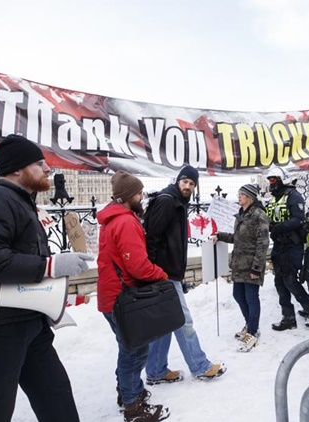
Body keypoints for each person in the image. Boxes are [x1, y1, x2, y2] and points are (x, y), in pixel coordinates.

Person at [0, 134, 93, 422]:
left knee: (57, 399)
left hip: (28, 322)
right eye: (40, 163)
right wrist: (50, 266)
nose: (47, 169)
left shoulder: (19, 201)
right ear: (17, 169)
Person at [97, 171, 171, 421]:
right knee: (135, 352)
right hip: (123, 298)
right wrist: (161, 274)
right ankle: (133, 407)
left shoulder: (114, 219)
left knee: (128, 348)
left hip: (113, 295)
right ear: (129, 196)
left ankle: (128, 391)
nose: (142, 196)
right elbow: (138, 266)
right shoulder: (126, 222)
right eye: (139, 193)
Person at [144, 166, 225, 384]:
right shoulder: (167, 201)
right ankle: (200, 366)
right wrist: (154, 273)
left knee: (165, 323)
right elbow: (151, 238)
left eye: (192, 183)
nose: (188, 186)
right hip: (163, 274)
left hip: (167, 273)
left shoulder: (177, 201)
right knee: (183, 321)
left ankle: (155, 371)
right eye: (185, 182)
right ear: (178, 181)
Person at [214, 184, 269, 353]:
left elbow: (263, 243)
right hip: (239, 265)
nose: (238, 197)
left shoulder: (258, 215)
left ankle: (252, 332)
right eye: (238, 194)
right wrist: (220, 236)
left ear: (250, 197)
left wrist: (257, 267)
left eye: (242, 194)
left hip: (252, 264)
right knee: (238, 294)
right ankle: (249, 324)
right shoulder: (242, 215)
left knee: (251, 297)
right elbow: (238, 239)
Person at [265, 167, 309, 330]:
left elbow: (298, 219)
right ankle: (288, 317)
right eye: (269, 180)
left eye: (273, 180)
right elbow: (269, 217)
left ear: (282, 179)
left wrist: (279, 227)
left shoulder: (293, 196)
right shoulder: (274, 199)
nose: (271, 184)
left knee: (290, 280)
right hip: (279, 245)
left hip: (292, 245)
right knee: (279, 281)